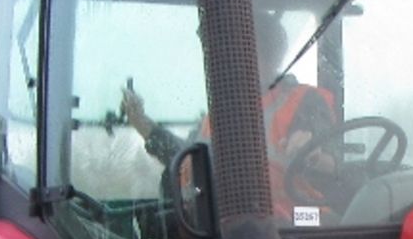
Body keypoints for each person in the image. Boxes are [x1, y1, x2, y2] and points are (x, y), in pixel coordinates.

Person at [123, 11, 341, 220]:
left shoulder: (304, 102)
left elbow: (331, 159)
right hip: (225, 230)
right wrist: (143, 124)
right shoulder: (220, 113)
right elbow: (188, 159)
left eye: (233, 51)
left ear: (268, 55)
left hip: (300, 228)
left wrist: (313, 153)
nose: (221, 62)